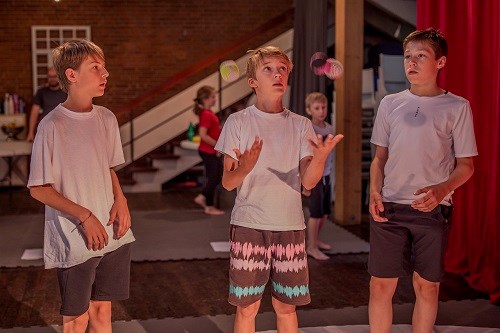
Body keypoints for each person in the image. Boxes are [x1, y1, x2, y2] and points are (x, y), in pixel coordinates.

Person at [215, 46, 343, 333]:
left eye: (282, 69)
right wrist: (245, 168)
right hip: (249, 224)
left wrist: (320, 158)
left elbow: (308, 182)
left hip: (290, 225)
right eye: (268, 69)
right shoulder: (238, 122)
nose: (277, 74)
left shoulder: (301, 125)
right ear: (253, 82)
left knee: (287, 306)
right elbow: (227, 182)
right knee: (247, 307)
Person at [368, 28, 477, 333]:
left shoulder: (457, 106)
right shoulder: (389, 104)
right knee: (380, 286)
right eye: (407, 56)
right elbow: (379, 159)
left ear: (440, 62)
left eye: (421, 56)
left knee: (426, 287)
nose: (411, 62)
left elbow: (466, 166)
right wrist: (374, 191)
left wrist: (442, 188)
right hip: (388, 207)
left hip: (433, 209)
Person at [27, 39, 135, 333]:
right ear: (71, 75)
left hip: (113, 232)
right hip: (76, 236)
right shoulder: (52, 125)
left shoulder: (106, 118)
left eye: (104, 67)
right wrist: (85, 216)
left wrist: (121, 199)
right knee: (77, 319)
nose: (105, 73)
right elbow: (39, 188)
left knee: (103, 313)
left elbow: (107, 168)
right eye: (96, 67)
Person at [304, 92, 334, 261]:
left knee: (324, 213)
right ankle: (311, 246)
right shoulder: (309, 129)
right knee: (315, 213)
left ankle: (316, 239)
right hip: (314, 177)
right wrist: (305, 183)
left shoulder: (329, 128)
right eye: (317, 108)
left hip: (327, 175)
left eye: (323, 107)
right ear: (309, 110)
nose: (321, 111)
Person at [192, 85, 225, 215]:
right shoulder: (206, 114)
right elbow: (203, 134)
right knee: (214, 177)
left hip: (210, 150)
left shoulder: (208, 113)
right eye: (213, 97)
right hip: (207, 150)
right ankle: (208, 204)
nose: (215, 99)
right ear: (205, 99)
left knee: (216, 176)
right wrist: (218, 145)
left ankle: (204, 199)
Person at [26, 67, 67, 142]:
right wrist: (30, 132)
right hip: (45, 129)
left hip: (63, 130)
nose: (52, 79)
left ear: (59, 77)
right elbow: (34, 112)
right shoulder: (41, 91)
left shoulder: (66, 91)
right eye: (50, 76)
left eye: (54, 76)